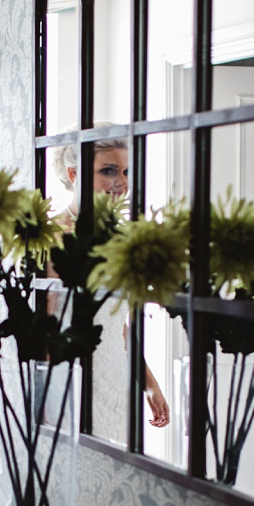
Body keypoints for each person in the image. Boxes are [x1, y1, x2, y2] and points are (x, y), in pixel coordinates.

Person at [56, 135, 169, 429]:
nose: (121, 181)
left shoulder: (121, 240)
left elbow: (117, 325)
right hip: (69, 385)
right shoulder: (52, 236)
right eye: (108, 170)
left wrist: (150, 383)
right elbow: (43, 329)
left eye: (126, 171)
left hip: (118, 387)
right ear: (74, 174)